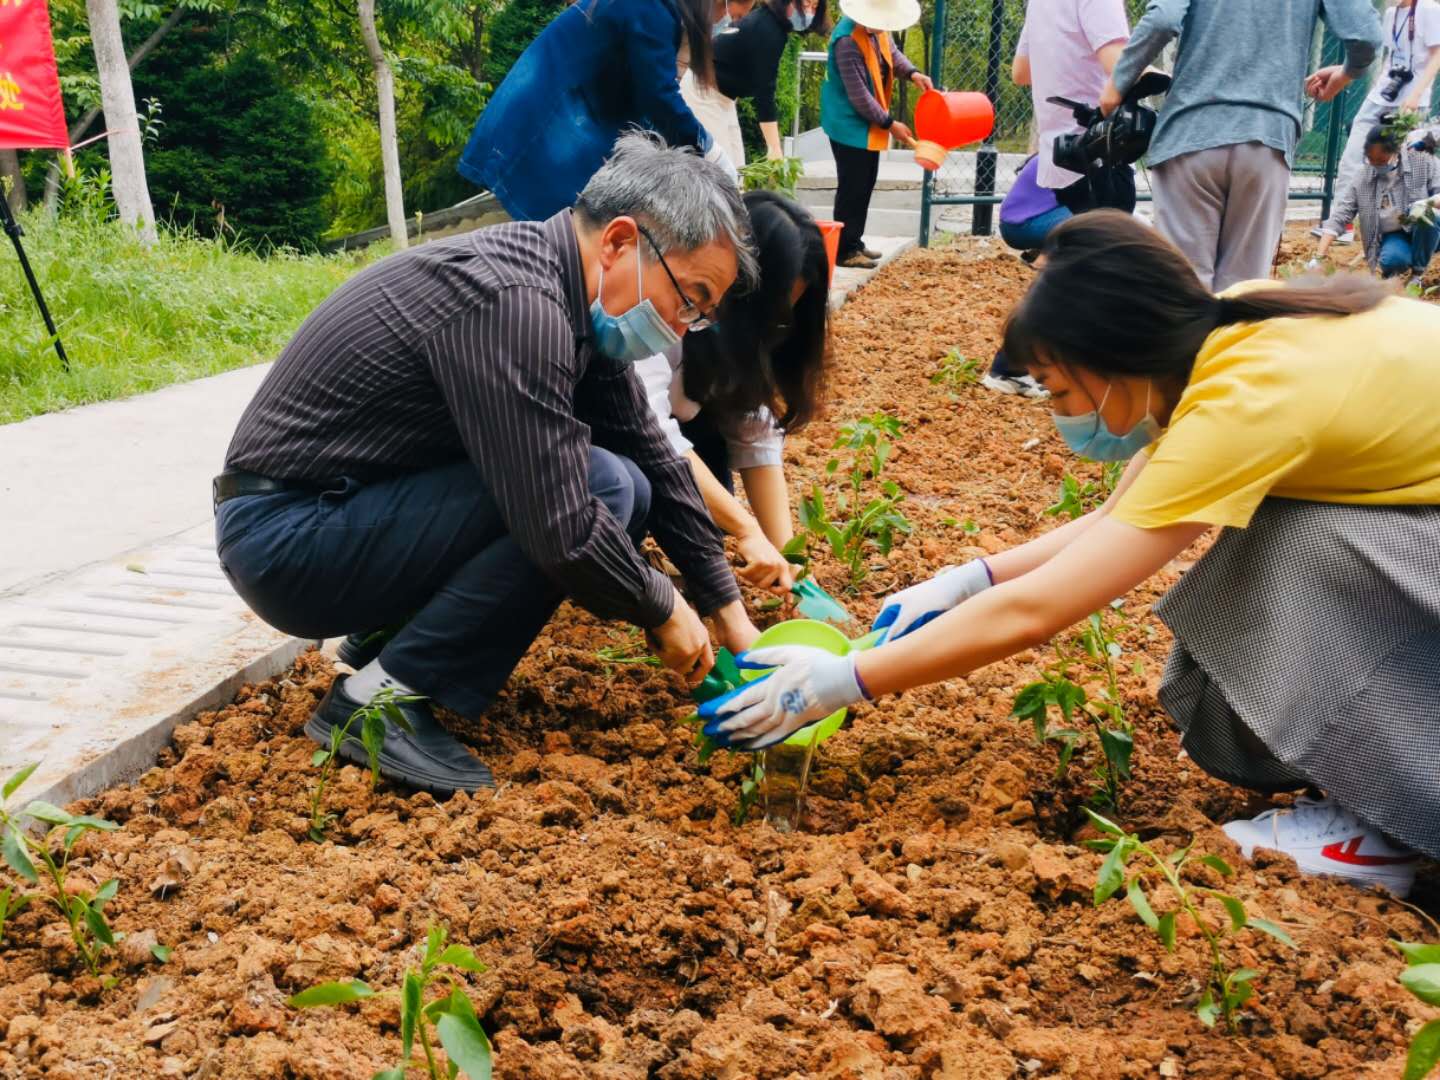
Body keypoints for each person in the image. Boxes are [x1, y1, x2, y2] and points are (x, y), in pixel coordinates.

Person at [701, 211, 1440, 898]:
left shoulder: (1248, 400)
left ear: (1113, 361)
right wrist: (968, 580)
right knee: (1294, 534)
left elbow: (1039, 611)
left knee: (1299, 546)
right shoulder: (1230, 328)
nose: (1058, 414)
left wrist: (842, 682)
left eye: (1058, 390)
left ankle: (1385, 827)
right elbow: (1113, 521)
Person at [215, 134, 762, 798]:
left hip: (340, 517)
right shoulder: (513, 301)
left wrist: (725, 606)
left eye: (697, 316)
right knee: (597, 488)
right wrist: (663, 606)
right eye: (690, 298)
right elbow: (558, 522)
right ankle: (376, 704)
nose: (680, 327)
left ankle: (387, 647)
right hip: (289, 539)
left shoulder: (561, 297)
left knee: (633, 484)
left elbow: (651, 450)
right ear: (619, 243)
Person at [1099, 0, 1381, 291]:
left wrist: (1118, 83)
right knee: (1243, 293)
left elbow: (1163, 19)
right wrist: (1346, 73)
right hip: (1267, 140)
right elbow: (1367, 35)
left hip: (1190, 133)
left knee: (1184, 290)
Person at [636, 190, 831, 593]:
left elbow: (755, 435)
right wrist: (744, 528)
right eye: (768, 310)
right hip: (617, 442)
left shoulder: (747, 340)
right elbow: (652, 434)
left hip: (678, 433)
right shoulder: (663, 312)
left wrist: (786, 560)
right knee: (630, 494)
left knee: (708, 519)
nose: (772, 328)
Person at [457, 0, 737, 222]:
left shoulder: (666, 14)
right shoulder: (654, 8)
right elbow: (658, 95)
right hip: (548, 122)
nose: (728, 20)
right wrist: (707, 148)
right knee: (542, 235)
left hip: (569, 120)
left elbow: (646, 94)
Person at [819, 0, 932, 269]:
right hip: (846, 123)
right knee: (852, 186)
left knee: (865, 181)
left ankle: (854, 241)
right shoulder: (847, 41)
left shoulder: (876, 30)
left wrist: (913, 73)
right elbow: (859, 97)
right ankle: (844, 250)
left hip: (865, 122)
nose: (883, 27)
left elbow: (891, 54)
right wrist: (891, 124)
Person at [1322, 0, 1440, 244]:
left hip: (1412, 100)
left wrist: (1417, 94)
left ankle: (1407, 229)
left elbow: (1436, 55)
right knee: (1353, 156)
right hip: (1382, 94)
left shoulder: (1429, 9)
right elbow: (1389, 56)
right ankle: (1341, 224)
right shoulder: (1391, 13)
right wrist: (1377, 86)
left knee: (1408, 164)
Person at [682, 0, 830, 166]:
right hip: (703, 93)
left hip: (723, 99)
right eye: (805, 4)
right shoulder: (767, 28)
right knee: (721, 171)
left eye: (815, 8)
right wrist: (774, 149)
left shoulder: (775, 27)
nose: (809, 12)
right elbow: (765, 90)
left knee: (737, 169)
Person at [1315, 124, 1440, 280]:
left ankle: (1417, 274)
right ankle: (1410, 256)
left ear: (1396, 152)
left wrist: (1426, 203)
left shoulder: (1422, 162)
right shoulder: (1363, 177)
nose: (1376, 164)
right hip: (1397, 233)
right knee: (1392, 262)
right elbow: (1342, 214)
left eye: (1382, 159)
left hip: (1432, 228)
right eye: (1371, 159)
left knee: (1424, 213)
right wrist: (1318, 257)